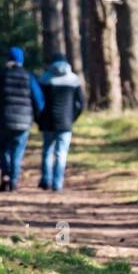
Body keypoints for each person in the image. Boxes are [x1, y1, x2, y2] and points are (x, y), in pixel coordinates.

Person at [0, 46, 43, 192]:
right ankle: (14, 180)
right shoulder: (29, 77)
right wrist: (39, 117)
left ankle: (5, 176)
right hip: (23, 122)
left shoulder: (1, 76)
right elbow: (38, 100)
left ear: (8, 60)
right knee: (17, 151)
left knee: (3, 149)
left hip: (4, 121)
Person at [38, 53, 85, 191]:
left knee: (47, 151)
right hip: (65, 122)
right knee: (61, 153)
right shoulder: (74, 80)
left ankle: (46, 180)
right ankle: (57, 184)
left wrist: (39, 118)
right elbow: (81, 104)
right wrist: (72, 117)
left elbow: (39, 101)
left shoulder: (45, 78)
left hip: (48, 122)